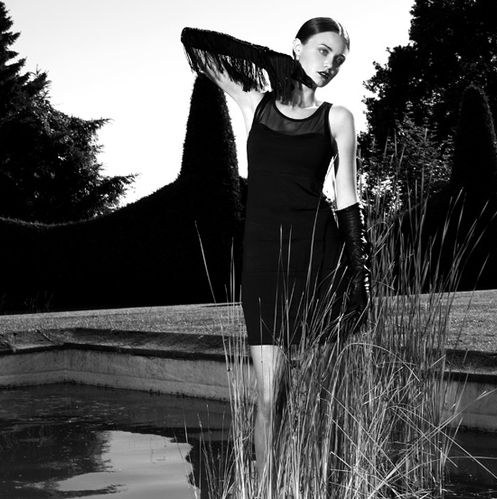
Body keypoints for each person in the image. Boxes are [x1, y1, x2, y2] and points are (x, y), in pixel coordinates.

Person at [182, 17, 371, 488]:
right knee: (270, 396)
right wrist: (268, 61)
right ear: (297, 47)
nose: (330, 64)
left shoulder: (338, 118)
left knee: (319, 396)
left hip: (319, 257)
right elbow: (194, 42)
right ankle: (268, 489)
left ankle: (316, 487)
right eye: (323, 50)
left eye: (339, 59)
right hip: (263, 262)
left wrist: (361, 274)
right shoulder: (256, 101)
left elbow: (347, 197)